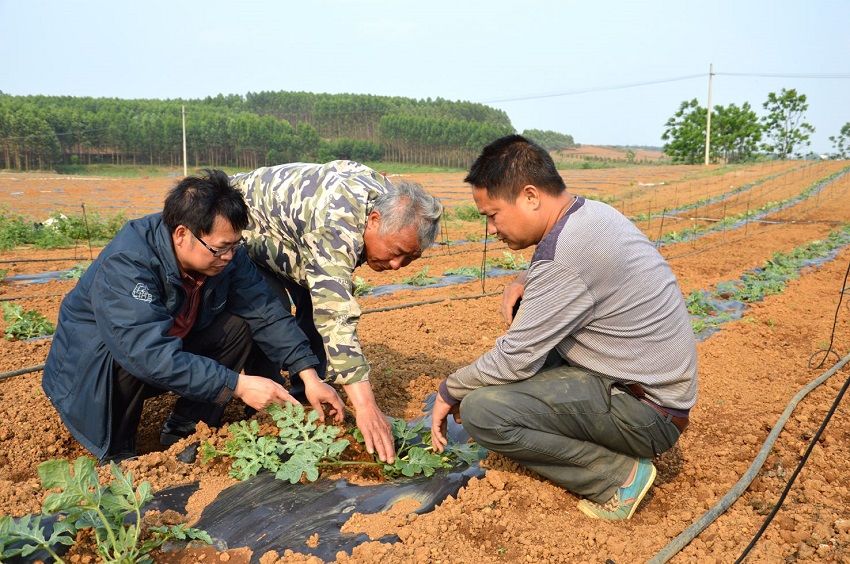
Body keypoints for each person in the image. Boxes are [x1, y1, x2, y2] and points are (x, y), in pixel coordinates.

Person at [430, 135, 698, 520]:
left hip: (648, 415)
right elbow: (572, 271)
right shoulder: (590, 215)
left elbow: (512, 361)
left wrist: (448, 390)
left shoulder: (566, 255)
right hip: (649, 391)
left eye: (492, 214)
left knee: (482, 410)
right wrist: (527, 279)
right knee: (516, 365)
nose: (491, 228)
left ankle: (617, 478)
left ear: (530, 197)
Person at [43, 169, 345, 464]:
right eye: (220, 248)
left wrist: (309, 376)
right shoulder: (129, 262)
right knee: (124, 353)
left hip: (166, 348)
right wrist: (238, 385)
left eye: (234, 245)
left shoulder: (226, 258)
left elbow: (265, 312)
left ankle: (188, 426)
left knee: (240, 326)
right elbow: (147, 354)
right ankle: (118, 448)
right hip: (94, 370)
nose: (228, 256)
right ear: (182, 235)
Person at [230, 160, 443, 464]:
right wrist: (366, 406)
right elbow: (335, 315)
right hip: (248, 223)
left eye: (409, 258)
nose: (396, 265)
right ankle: (268, 410)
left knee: (314, 300)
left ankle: (307, 392)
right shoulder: (338, 220)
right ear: (373, 220)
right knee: (269, 309)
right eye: (395, 252)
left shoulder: (388, 205)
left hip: (297, 237)